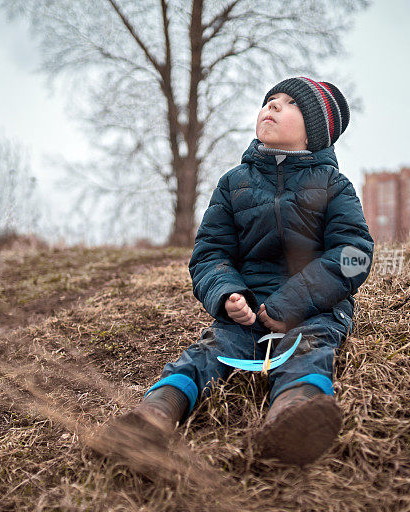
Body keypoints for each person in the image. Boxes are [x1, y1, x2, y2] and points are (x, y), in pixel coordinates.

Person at [108, 77, 374, 466]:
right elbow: (210, 253)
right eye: (269, 100)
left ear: (315, 132)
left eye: (289, 103)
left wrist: (294, 301)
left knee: (307, 348)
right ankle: (155, 414)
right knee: (210, 353)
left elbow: (354, 254)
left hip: (313, 307)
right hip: (248, 308)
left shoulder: (334, 185)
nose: (273, 107)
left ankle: (295, 415)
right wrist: (228, 294)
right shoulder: (235, 183)